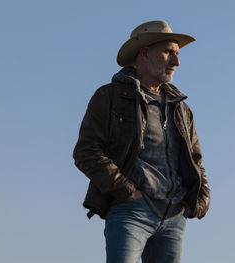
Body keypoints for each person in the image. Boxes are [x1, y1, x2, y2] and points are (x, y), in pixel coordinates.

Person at [73, 20, 211, 263]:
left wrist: (199, 202)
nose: (176, 62)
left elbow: (196, 162)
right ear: (144, 53)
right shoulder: (109, 96)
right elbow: (86, 151)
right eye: (169, 52)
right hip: (130, 212)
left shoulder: (182, 109)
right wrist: (127, 191)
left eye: (177, 54)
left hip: (173, 217)